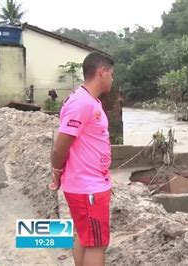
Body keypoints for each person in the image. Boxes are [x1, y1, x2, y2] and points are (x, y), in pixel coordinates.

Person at [49, 52, 114, 266]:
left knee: (86, 237)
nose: (112, 79)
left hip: (91, 185)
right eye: (111, 74)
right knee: (97, 244)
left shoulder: (90, 101)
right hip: (88, 189)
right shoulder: (82, 103)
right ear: (102, 72)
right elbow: (60, 147)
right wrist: (57, 172)